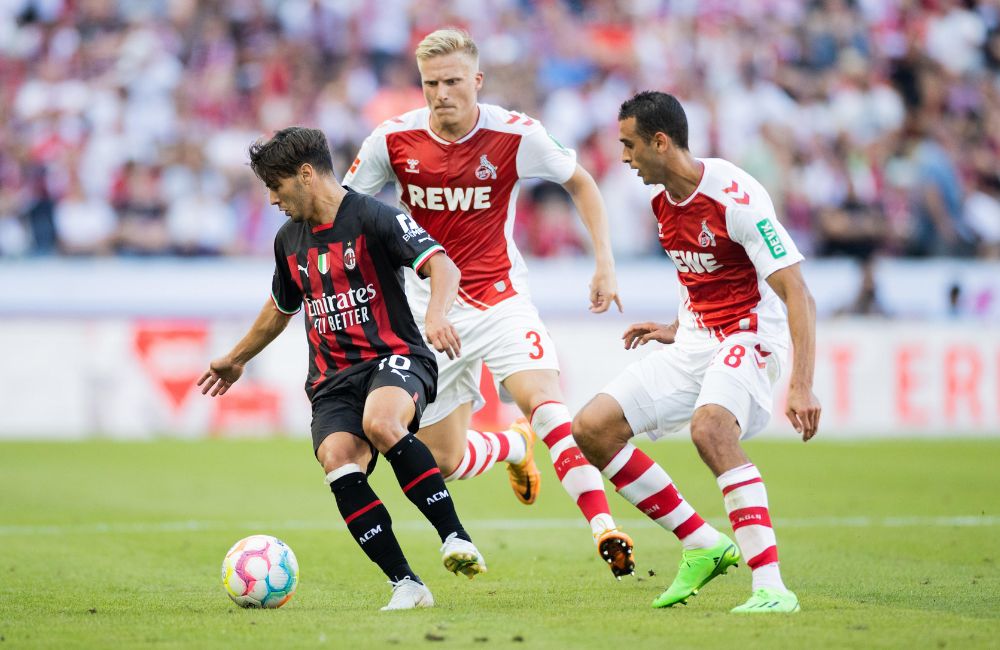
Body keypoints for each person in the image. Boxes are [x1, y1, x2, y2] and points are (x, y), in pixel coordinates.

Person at [343, 28, 634, 577]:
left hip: (500, 298)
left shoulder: (515, 133)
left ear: (476, 81)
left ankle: (604, 527)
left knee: (544, 401)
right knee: (443, 461)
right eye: (431, 84)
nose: (441, 93)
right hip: (429, 311)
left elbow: (582, 183)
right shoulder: (392, 139)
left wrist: (605, 263)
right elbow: (348, 212)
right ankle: (512, 449)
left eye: (453, 81)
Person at [197, 127, 485, 611]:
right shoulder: (289, 240)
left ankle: (455, 536)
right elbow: (279, 308)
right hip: (332, 380)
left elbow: (443, 266)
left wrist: (436, 314)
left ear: (306, 175)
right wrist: (236, 357)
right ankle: (407, 585)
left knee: (381, 421)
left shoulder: (375, 217)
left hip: (395, 358)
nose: (271, 199)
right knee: (337, 458)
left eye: (276, 186)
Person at [572, 91, 822, 613]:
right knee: (592, 428)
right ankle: (703, 543)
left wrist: (800, 382)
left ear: (660, 142)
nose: (624, 157)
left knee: (710, 428)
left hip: (751, 335)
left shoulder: (736, 196)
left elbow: (797, 291)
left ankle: (771, 586)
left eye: (629, 145)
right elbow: (699, 277)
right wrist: (675, 326)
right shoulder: (662, 203)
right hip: (697, 340)